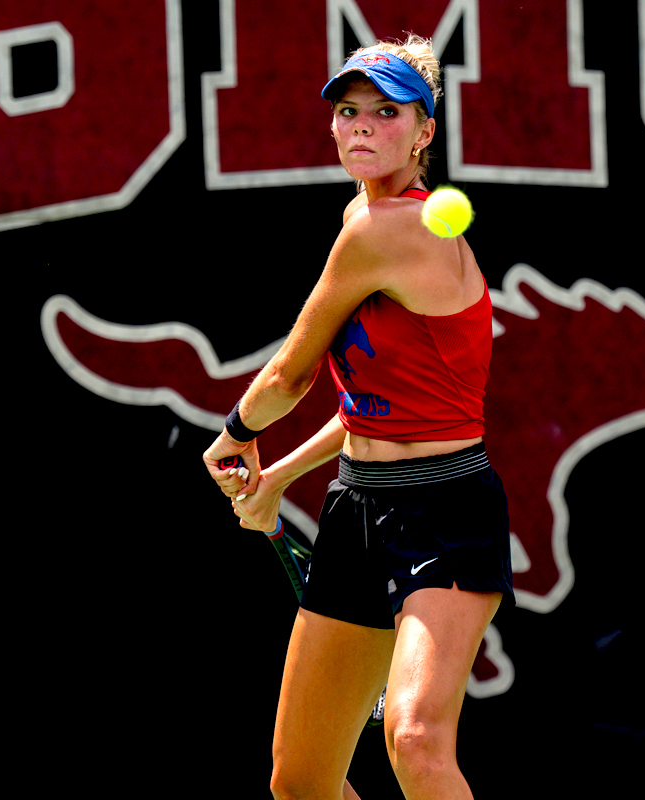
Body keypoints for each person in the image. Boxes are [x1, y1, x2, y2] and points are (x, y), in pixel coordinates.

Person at [202, 35, 514, 800]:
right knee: (303, 784)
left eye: (386, 111)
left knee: (413, 740)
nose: (362, 126)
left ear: (424, 131)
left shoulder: (386, 230)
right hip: (356, 511)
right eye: (348, 111)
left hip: (447, 510)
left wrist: (236, 436)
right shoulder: (362, 218)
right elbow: (360, 411)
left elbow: (291, 373)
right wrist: (275, 477)